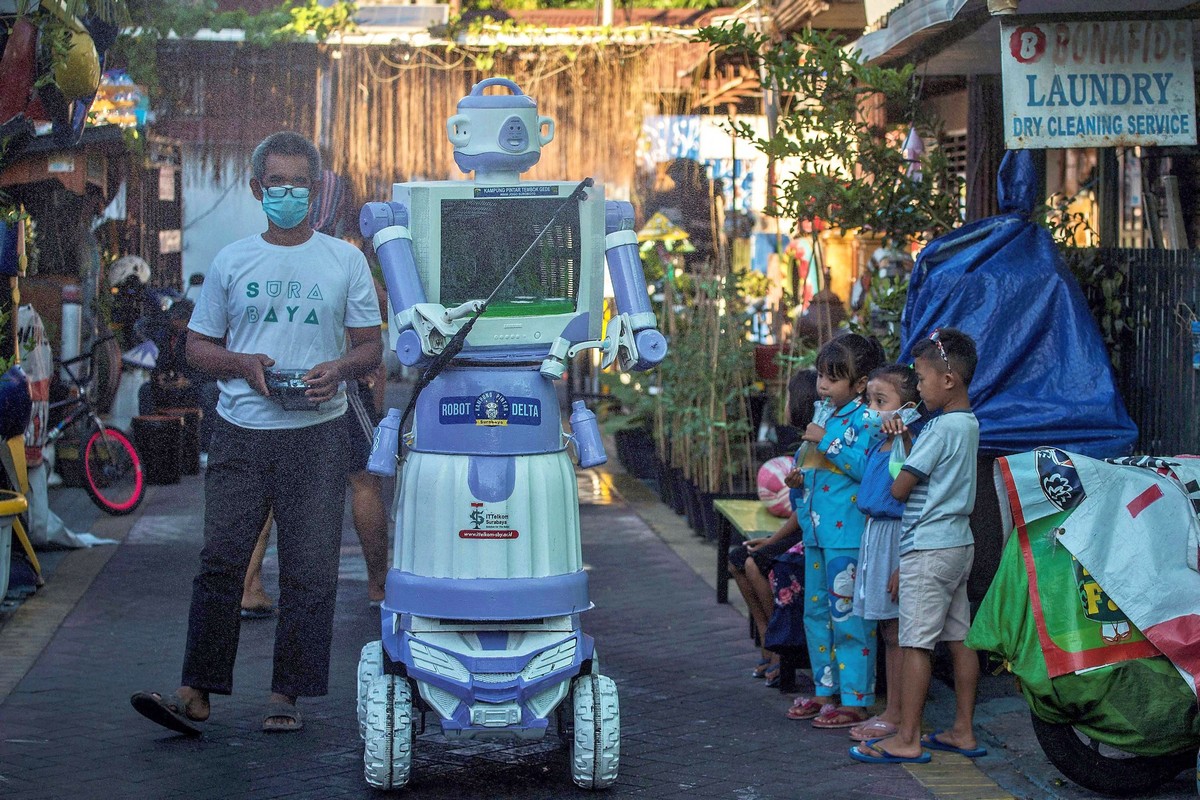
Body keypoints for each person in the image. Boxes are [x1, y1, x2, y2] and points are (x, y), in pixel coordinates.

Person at [130, 131, 383, 736]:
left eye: (299, 181)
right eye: (277, 182)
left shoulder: (344, 260)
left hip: (319, 435)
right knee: (221, 560)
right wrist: (243, 364)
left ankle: (287, 695)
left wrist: (339, 371)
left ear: (316, 188)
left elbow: (371, 348)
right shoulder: (232, 261)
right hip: (242, 430)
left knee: (309, 568)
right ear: (256, 189)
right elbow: (196, 347)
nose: (288, 192)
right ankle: (195, 692)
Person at [850, 327, 983, 765]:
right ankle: (963, 730)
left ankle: (907, 737)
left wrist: (902, 441)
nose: (920, 388)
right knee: (960, 638)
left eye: (922, 380)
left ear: (948, 381)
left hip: (928, 546)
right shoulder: (969, 424)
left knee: (915, 644)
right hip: (958, 543)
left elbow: (902, 488)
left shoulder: (940, 430)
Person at [786, 333, 885, 728]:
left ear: (859, 384)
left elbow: (866, 470)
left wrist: (823, 441)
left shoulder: (869, 419)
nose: (822, 385)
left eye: (833, 377)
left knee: (849, 618)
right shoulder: (826, 414)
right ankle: (825, 691)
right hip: (816, 533)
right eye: (822, 376)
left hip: (847, 536)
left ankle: (856, 700)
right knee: (816, 614)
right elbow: (813, 459)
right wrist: (798, 477)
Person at [728, 369, 819, 686]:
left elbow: (806, 510)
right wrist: (772, 538)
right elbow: (800, 509)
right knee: (737, 558)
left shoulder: (816, 450)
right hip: (798, 530)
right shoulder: (801, 449)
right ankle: (768, 641)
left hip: (811, 534)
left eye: (790, 398)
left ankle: (780, 650)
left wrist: (773, 543)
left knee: (756, 564)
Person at [846, 364, 921, 742]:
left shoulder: (909, 446)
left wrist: (901, 564)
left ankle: (897, 713)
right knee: (888, 630)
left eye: (881, 401)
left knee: (897, 631)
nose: (871, 409)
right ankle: (892, 710)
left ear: (906, 408)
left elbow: (911, 505)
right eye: (869, 400)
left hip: (896, 537)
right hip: (875, 536)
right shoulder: (880, 444)